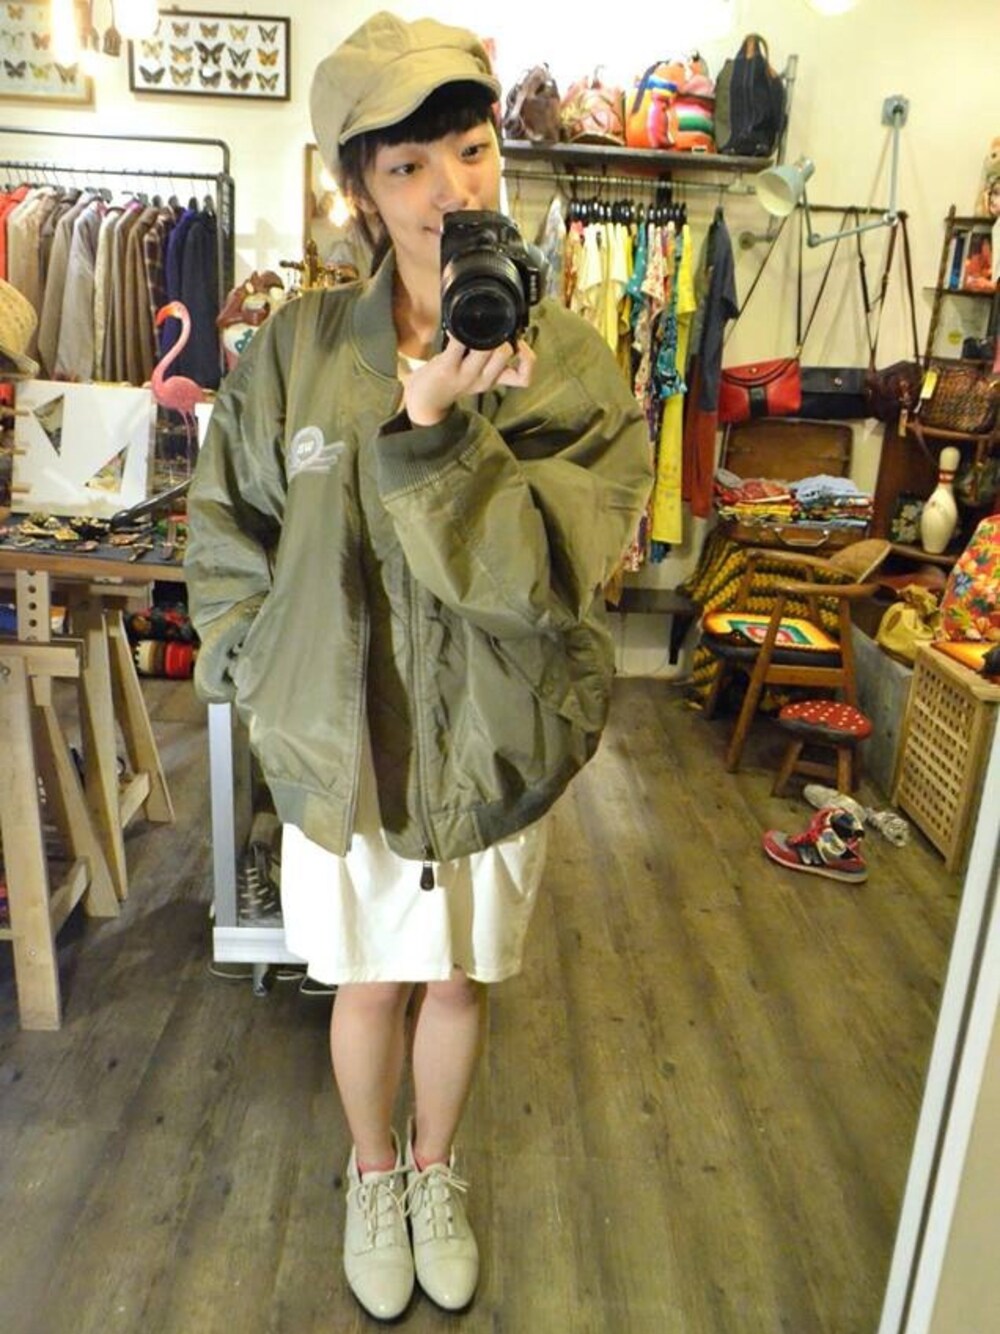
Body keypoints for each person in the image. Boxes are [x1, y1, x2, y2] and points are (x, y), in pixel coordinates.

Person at [184, 10, 652, 1322]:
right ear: (359, 189)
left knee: (455, 976)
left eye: (473, 149)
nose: (454, 190)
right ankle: (373, 1169)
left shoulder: (565, 365)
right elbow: (225, 536)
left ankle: (435, 1169)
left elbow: (550, 581)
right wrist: (260, 674)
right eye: (409, 165)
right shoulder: (297, 352)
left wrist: (443, 427)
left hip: (488, 738)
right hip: (347, 741)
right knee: (368, 979)